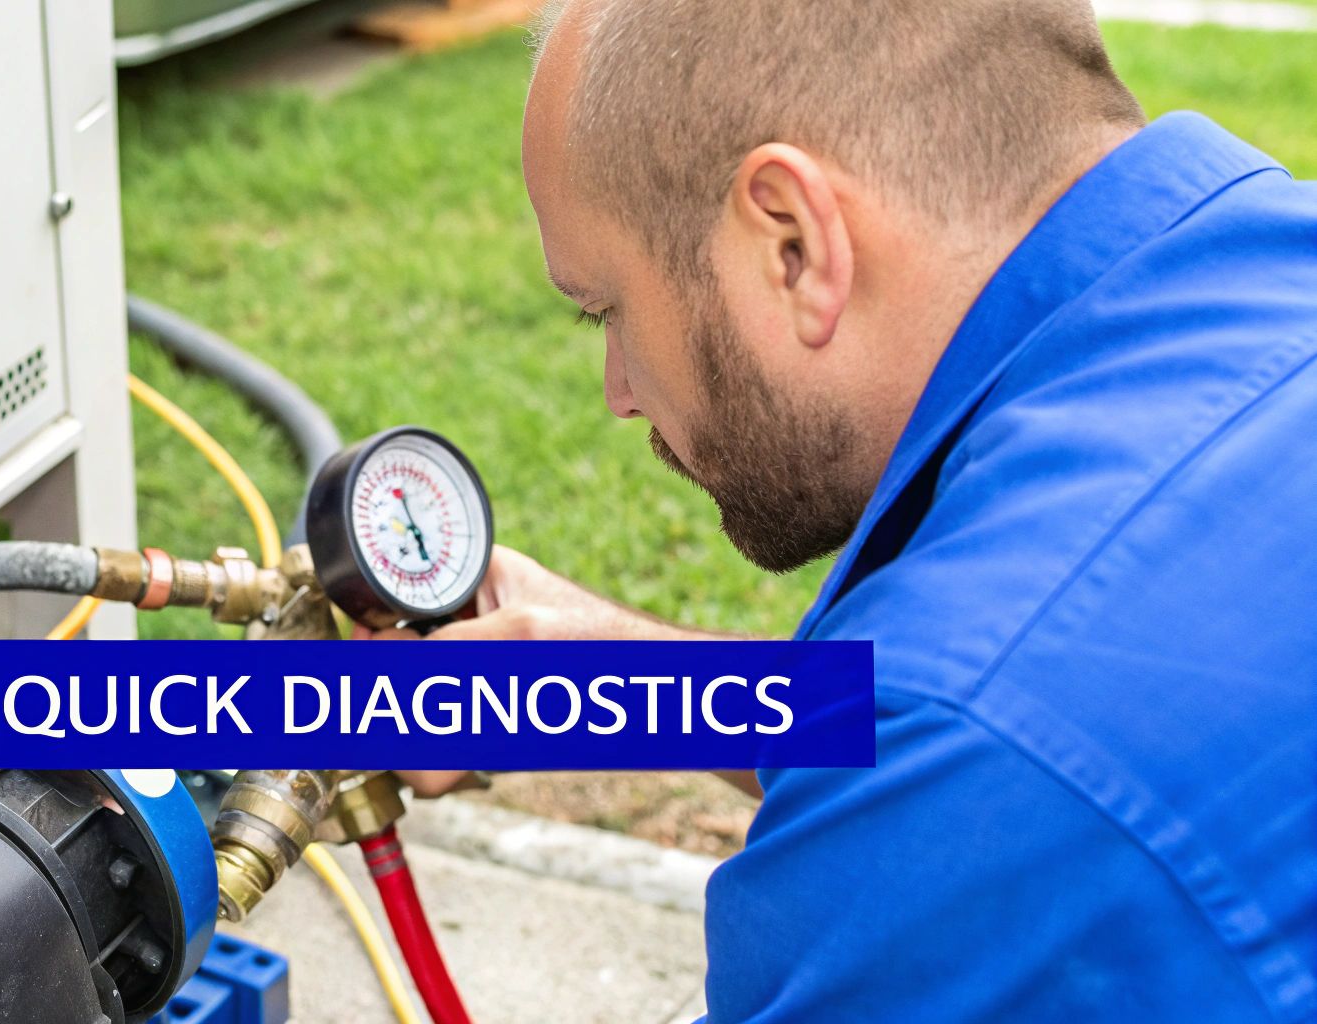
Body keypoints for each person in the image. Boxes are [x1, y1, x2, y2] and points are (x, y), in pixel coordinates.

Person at [360, 1, 1317, 1019]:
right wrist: (624, 682)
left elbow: (977, 754)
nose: (618, 390)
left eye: (609, 309)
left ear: (792, 244)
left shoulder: (966, 775)